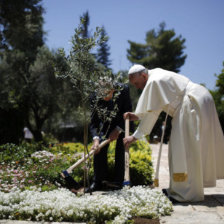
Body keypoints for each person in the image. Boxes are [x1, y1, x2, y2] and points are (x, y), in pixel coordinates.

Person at [123, 64, 224, 202]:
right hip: (200, 99)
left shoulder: (153, 81)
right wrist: (137, 115)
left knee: (183, 150)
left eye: (137, 83)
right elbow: (155, 107)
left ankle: (185, 193)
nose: (137, 87)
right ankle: (183, 189)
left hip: (191, 104)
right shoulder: (156, 73)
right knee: (189, 147)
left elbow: (152, 113)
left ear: (144, 76)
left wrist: (134, 136)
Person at [86, 82, 133, 192]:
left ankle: (119, 181)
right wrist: (96, 139)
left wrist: (118, 130)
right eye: (102, 95)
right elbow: (94, 121)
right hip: (107, 124)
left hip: (123, 122)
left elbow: (128, 111)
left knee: (121, 148)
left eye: (107, 94)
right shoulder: (93, 96)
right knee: (99, 148)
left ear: (113, 90)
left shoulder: (123, 90)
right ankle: (98, 182)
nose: (105, 98)